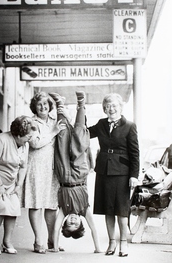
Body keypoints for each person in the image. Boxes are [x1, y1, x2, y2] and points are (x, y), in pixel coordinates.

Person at [47, 91, 101, 253]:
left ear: (65, 222)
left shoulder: (64, 210)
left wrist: (55, 248)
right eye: (75, 224)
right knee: (78, 136)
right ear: (80, 222)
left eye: (69, 223)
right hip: (79, 174)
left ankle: (59, 105)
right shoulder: (84, 209)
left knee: (62, 135)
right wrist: (98, 249)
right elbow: (94, 230)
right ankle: (81, 104)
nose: (72, 220)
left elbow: (56, 229)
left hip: (63, 174)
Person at [88, 93, 140, 257]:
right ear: (104, 109)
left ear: (120, 107)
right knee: (107, 209)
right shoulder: (102, 124)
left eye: (114, 106)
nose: (111, 109)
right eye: (108, 106)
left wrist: (134, 175)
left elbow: (135, 153)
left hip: (122, 174)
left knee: (121, 210)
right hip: (103, 171)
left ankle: (123, 243)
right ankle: (111, 243)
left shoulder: (129, 126)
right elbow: (85, 133)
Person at [0, 116, 39, 255]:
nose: (30, 139)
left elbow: (23, 166)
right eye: (28, 136)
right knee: (1, 205)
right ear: (18, 135)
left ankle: (7, 242)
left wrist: (18, 184)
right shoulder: (0, 140)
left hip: (9, 181)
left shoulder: (24, 144)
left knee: (13, 206)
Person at [22, 91, 66, 254]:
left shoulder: (54, 120)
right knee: (36, 204)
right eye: (39, 104)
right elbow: (34, 143)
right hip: (37, 168)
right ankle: (38, 241)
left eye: (45, 104)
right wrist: (53, 132)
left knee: (51, 205)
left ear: (50, 106)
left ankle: (51, 239)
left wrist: (62, 103)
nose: (43, 107)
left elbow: (68, 122)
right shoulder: (32, 122)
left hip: (52, 169)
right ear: (35, 107)